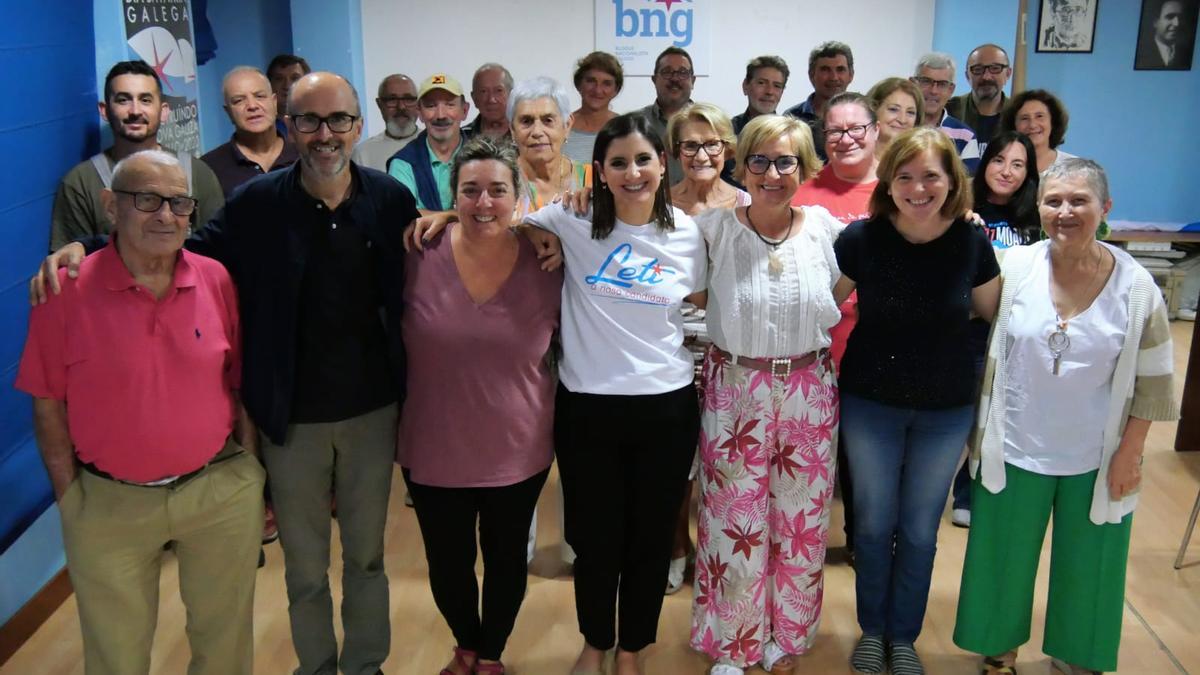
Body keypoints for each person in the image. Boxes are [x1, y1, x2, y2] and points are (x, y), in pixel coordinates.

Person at [31, 72, 418, 675]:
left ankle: (366, 665)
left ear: (357, 126)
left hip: (372, 413)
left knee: (366, 559)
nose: (324, 134)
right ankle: (316, 666)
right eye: (309, 121)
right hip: (289, 422)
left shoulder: (389, 199)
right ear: (290, 127)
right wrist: (85, 244)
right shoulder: (258, 205)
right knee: (305, 565)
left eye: (338, 120)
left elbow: (433, 251)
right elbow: (173, 238)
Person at [17, 150, 264, 675]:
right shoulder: (65, 290)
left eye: (179, 203)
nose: (166, 215)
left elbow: (237, 381)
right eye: (146, 200)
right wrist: (71, 499)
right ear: (111, 206)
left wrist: (248, 468)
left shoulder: (216, 278)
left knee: (225, 647)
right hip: (109, 504)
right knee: (116, 657)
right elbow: (47, 402)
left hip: (217, 491)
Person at [955, 158, 1178, 675]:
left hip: (1097, 454)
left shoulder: (1137, 287)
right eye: (1054, 201)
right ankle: (999, 648)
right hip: (1014, 443)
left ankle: (1077, 655)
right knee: (1001, 555)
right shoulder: (1013, 269)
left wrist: (1131, 453)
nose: (1065, 211)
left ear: (1105, 208)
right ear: (1039, 208)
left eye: (1079, 200)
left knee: (1092, 563)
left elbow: (1154, 382)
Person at [523, 112, 706, 675]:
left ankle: (631, 650)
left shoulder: (688, 233)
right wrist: (536, 230)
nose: (633, 172)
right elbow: (501, 219)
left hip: (667, 406)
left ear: (662, 164)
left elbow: (698, 303)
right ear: (598, 170)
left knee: (651, 538)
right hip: (587, 408)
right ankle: (595, 642)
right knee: (595, 539)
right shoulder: (572, 219)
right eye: (619, 162)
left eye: (644, 160)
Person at [834, 127, 1000, 675]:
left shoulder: (973, 241)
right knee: (876, 525)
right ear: (888, 182)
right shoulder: (861, 238)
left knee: (922, 530)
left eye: (931, 175)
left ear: (952, 180)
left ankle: (904, 636)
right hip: (870, 401)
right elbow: (819, 302)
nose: (918, 187)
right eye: (904, 176)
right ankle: (873, 631)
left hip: (945, 406)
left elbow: (994, 312)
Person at [689, 115, 849, 675]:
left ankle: (787, 634)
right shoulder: (713, 230)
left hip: (808, 387)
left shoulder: (827, 229)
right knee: (734, 517)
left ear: (805, 169)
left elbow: (847, 281)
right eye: (759, 160)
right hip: (736, 388)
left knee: (800, 521)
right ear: (742, 165)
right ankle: (735, 643)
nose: (772, 173)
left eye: (786, 162)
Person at [400, 136, 563, 675]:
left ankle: (489, 653)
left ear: (519, 197)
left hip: (517, 446)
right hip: (433, 443)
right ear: (453, 197)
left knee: (504, 561)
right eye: (470, 191)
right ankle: (465, 644)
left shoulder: (548, 263)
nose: (484, 203)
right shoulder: (418, 254)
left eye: (497, 190)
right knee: (447, 564)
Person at [950, 130, 1041, 529]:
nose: (1007, 171)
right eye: (1000, 160)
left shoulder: (1037, 217)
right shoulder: (963, 209)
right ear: (985, 163)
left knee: (1006, 412)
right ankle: (962, 489)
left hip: (1018, 331)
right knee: (970, 413)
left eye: (1018, 164)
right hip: (970, 330)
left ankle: (987, 491)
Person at [50, 60, 224, 250]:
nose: (135, 111)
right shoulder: (82, 183)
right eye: (123, 100)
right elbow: (72, 265)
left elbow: (218, 250)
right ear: (105, 110)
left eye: (146, 100)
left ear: (164, 111)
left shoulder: (197, 174)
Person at [202, 66, 298, 197]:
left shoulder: (304, 156)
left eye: (259, 96)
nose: (252, 106)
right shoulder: (209, 168)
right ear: (228, 112)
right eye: (239, 101)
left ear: (274, 103)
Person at [509, 77, 592, 216]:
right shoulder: (497, 183)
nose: (537, 132)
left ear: (567, 125)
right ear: (512, 129)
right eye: (526, 121)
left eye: (548, 120)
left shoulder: (592, 179)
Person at [388, 73, 470, 212]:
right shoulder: (403, 163)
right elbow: (404, 218)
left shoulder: (484, 156)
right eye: (431, 106)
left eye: (450, 104)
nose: (440, 115)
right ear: (419, 112)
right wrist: (455, 216)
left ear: (464, 110)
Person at [667, 103, 749, 215]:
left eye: (712, 144)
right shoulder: (657, 205)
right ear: (677, 151)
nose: (701, 157)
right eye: (690, 145)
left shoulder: (746, 205)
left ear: (727, 149)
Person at [912, 53, 981, 174]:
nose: (933, 91)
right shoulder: (900, 125)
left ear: (951, 90)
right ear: (913, 83)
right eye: (926, 81)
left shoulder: (966, 136)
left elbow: (968, 186)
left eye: (942, 84)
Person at [784, 41, 854, 158]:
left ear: (851, 75)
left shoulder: (862, 119)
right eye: (825, 70)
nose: (834, 77)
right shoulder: (791, 117)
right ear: (812, 75)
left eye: (840, 69)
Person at [638, 46, 696, 185]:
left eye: (682, 72)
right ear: (654, 79)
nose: (675, 78)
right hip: (649, 205)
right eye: (667, 72)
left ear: (693, 80)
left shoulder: (710, 123)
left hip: (699, 205)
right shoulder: (634, 123)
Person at [945, 44, 1011, 148]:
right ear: (967, 76)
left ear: (1008, 74)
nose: (986, 77)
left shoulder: (1017, 113)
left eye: (995, 68)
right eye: (978, 69)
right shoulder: (949, 110)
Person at [352, 73, 420, 171]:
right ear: (379, 104)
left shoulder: (433, 146)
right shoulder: (362, 154)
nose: (401, 106)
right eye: (392, 100)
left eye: (408, 99)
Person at [565, 52, 623, 164]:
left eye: (606, 83)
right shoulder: (561, 127)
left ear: (616, 90)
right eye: (591, 81)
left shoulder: (626, 128)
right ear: (578, 84)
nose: (597, 90)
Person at [999, 89, 1075, 173]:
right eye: (1024, 118)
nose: (1032, 125)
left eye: (1039, 116)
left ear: (1053, 122)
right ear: (1013, 125)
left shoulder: (1074, 168)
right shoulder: (1003, 169)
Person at [866, 77, 924, 158]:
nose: (902, 120)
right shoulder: (852, 157)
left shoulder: (920, 162)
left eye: (910, 112)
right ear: (873, 109)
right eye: (893, 109)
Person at [731, 56, 789, 135]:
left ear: (782, 92)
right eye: (761, 83)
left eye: (777, 86)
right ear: (745, 86)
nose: (769, 91)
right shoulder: (728, 131)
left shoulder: (788, 133)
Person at [1137, 0, 1195, 69]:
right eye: (1170, 17)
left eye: (1180, 17)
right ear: (1155, 21)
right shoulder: (1141, 52)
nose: (1177, 23)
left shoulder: (1188, 53)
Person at [464, 63, 514, 140]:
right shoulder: (462, 137)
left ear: (511, 94)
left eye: (499, 90)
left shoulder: (526, 135)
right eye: (484, 91)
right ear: (474, 98)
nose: (491, 99)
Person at [267, 54, 311, 133]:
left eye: (295, 78)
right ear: (269, 85)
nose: (287, 86)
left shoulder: (319, 125)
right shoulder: (260, 129)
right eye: (279, 79)